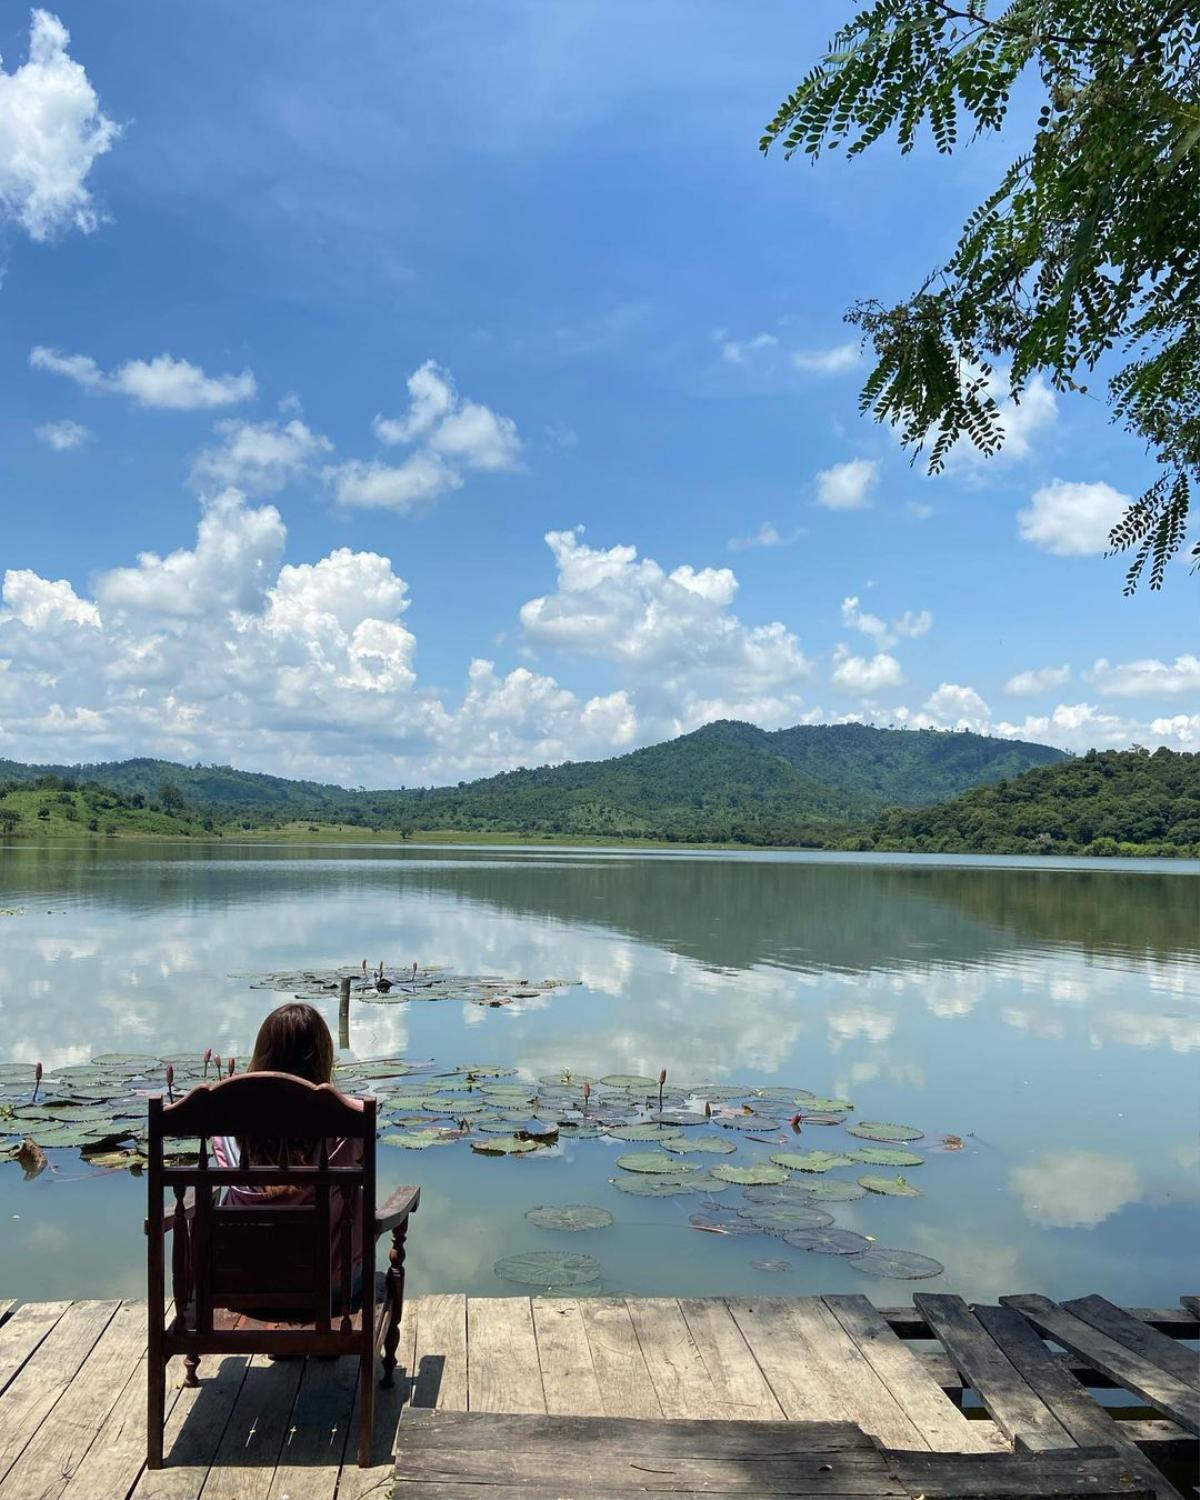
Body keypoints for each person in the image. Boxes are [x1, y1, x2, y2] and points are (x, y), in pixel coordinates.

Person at [211, 1002, 364, 1308]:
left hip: (243, 1289)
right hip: (330, 1293)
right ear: (323, 1056)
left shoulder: (222, 1122)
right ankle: (320, 1340)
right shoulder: (348, 1119)